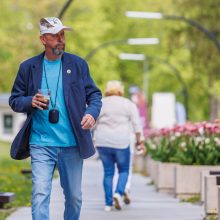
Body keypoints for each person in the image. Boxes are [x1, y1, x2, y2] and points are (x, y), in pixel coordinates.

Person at [9, 17, 102, 220]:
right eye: (55, 36)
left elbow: (94, 95)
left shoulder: (78, 65)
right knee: (40, 194)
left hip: (71, 144)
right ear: (43, 39)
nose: (60, 39)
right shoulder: (28, 67)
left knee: (74, 197)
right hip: (41, 143)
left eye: (62, 35)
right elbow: (14, 100)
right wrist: (30, 101)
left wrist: (91, 113)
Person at [93, 80, 146, 211]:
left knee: (108, 172)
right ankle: (118, 192)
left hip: (103, 141)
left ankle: (108, 203)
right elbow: (137, 125)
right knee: (123, 170)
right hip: (121, 141)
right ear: (120, 90)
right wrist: (140, 141)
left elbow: (92, 122)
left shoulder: (101, 103)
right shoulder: (128, 104)